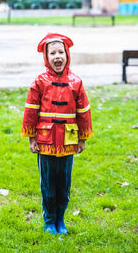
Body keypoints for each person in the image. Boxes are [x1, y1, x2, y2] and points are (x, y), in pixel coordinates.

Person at [21, 33, 92, 235]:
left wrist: (82, 138)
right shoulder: (39, 82)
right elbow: (31, 111)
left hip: (68, 141)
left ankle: (61, 219)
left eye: (61, 52)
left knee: (64, 184)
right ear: (46, 57)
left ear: (67, 55)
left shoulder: (76, 82)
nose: (57, 56)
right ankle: (49, 221)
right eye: (52, 53)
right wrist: (31, 137)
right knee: (48, 184)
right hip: (46, 141)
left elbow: (84, 112)